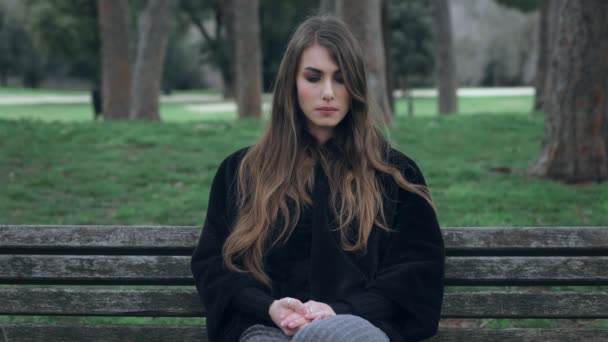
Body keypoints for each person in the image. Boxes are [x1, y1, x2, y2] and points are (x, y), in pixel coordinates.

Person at [191, 15, 444, 342]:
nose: (328, 92)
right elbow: (216, 266)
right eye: (313, 78)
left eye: (341, 79)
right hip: (264, 328)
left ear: (356, 88)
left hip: (356, 327)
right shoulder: (242, 172)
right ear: (291, 85)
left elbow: (415, 271)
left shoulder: (393, 174)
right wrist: (270, 308)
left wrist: (339, 310)